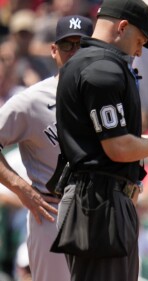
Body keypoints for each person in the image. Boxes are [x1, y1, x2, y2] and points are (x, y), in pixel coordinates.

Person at [54, 0, 148, 280]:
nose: (139, 51)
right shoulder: (102, 69)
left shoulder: (89, 62)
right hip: (98, 203)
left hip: (99, 199)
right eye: (139, 41)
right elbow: (117, 147)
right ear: (122, 27)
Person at [0, 15, 93, 281]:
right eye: (67, 45)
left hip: (100, 210)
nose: (75, 52)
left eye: (82, 45)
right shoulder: (31, 101)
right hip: (52, 213)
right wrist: (21, 189)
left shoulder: (106, 94)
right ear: (54, 50)